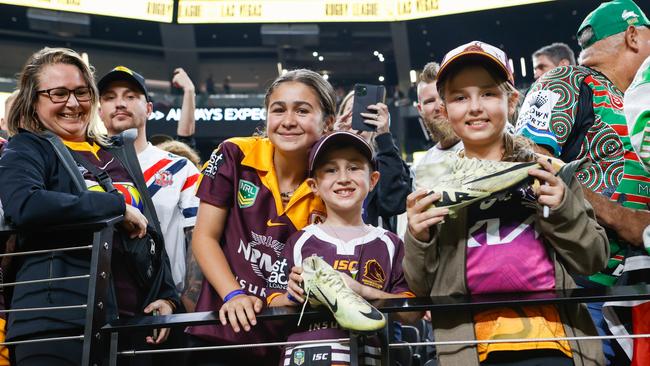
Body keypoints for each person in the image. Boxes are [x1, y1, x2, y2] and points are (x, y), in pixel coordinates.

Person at [404, 41, 608, 366]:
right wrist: (418, 237)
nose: (474, 107)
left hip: (555, 342)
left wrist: (563, 209)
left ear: (511, 101)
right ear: (443, 109)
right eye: (460, 97)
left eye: (488, 93)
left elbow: (594, 259)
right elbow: (421, 285)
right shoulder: (434, 185)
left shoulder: (549, 172)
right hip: (472, 349)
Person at [0, 47, 178, 365]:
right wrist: (116, 207)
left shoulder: (117, 151)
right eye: (58, 93)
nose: (73, 103)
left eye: (81, 92)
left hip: (128, 325)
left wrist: (165, 294)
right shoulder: (25, 147)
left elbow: (150, 228)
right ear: (33, 100)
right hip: (55, 325)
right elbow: (25, 205)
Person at [515, 1, 650, 362]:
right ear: (634, 36)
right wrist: (623, 218)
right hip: (585, 287)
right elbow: (523, 162)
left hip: (635, 288)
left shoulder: (637, 100)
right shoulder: (567, 80)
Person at [186, 69, 333, 366]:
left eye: (302, 110)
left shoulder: (333, 180)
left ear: (327, 123)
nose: (288, 121)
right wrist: (234, 295)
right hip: (221, 334)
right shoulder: (234, 153)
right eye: (278, 110)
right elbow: (204, 237)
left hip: (293, 343)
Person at [267, 131, 417, 366]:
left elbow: (411, 313)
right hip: (305, 359)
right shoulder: (299, 241)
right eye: (330, 170)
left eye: (354, 167)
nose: (343, 177)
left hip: (370, 358)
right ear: (313, 185)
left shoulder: (390, 243)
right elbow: (271, 304)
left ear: (373, 180)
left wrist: (359, 290)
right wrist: (292, 294)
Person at [98, 66, 201, 306]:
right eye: (110, 97)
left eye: (131, 96)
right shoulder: (82, 168)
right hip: (103, 304)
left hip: (166, 303)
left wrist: (186, 305)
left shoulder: (181, 169)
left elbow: (197, 241)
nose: (120, 103)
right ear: (99, 111)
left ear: (149, 109)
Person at [334, 91, 411, 232]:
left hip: (376, 250)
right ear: (340, 117)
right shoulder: (325, 160)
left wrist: (384, 136)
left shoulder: (388, 161)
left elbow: (393, 204)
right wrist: (335, 141)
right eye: (351, 111)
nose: (359, 117)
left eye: (367, 112)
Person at [415, 61, 463, 168]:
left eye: (443, 97)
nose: (439, 107)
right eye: (430, 101)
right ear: (420, 109)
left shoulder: (490, 147)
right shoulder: (420, 169)